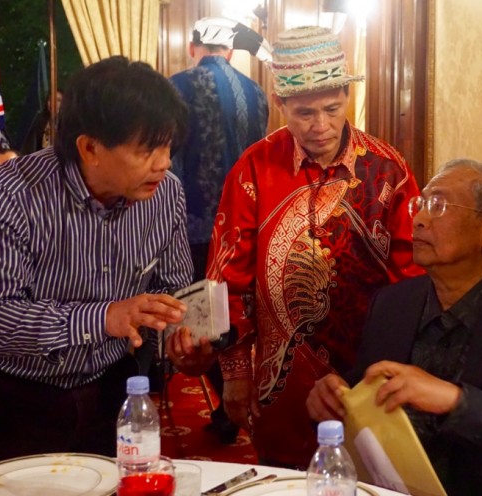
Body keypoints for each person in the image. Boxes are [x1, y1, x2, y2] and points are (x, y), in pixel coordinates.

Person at [172, 26, 423, 469]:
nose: (321, 126)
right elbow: (227, 282)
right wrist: (235, 376)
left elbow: (414, 278)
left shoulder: (388, 170)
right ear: (280, 104)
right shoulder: (254, 168)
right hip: (282, 382)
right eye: (305, 112)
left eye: (332, 108)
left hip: (370, 375)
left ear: (346, 94)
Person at [306, 159, 482, 495]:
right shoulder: (392, 303)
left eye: (439, 206)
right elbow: (364, 400)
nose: (418, 220)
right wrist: (332, 404)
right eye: (421, 204)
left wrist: (457, 402)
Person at [0, 56, 193, 464]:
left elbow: (169, 288)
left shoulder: (166, 193)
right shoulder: (8, 196)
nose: (165, 162)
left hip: (113, 389)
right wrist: (104, 317)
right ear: (90, 148)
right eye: (148, 149)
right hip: (18, 397)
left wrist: (180, 335)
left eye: (168, 145)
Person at [168, 16, 269, 443]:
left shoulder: (177, 87)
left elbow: (167, 162)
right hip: (248, 223)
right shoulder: (257, 94)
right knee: (239, 315)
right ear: (229, 50)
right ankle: (240, 400)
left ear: (195, 47)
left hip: (192, 225)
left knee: (200, 324)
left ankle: (224, 397)